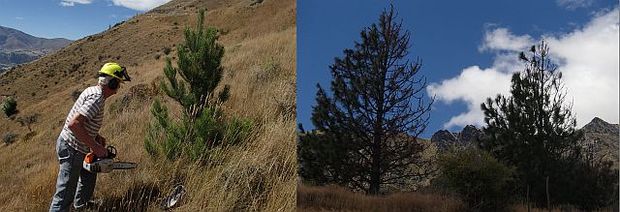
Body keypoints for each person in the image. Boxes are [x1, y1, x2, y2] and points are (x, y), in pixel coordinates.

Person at [49, 62, 131, 211]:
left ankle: (81, 206)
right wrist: (96, 147)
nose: (118, 88)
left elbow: (82, 121)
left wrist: (96, 136)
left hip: (80, 146)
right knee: (65, 193)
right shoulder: (97, 99)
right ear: (111, 83)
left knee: (88, 177)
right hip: (72, 148)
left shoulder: (93, 91)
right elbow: (74, 124)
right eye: (118, 84)